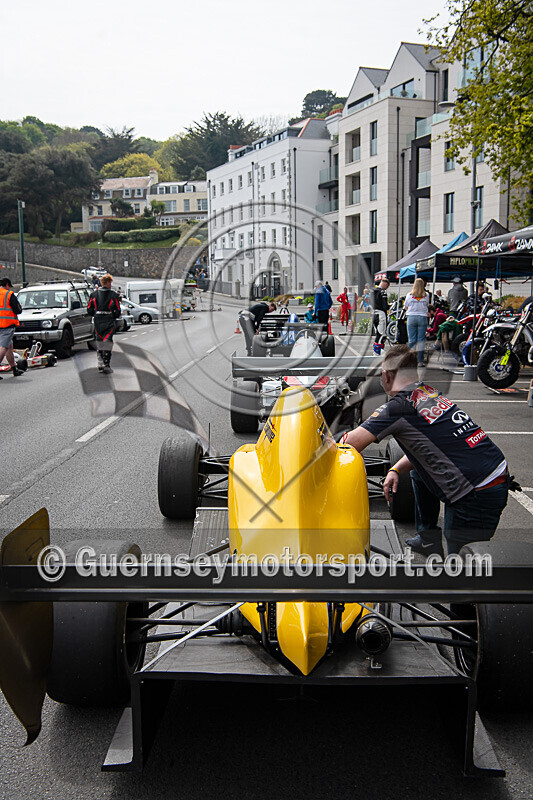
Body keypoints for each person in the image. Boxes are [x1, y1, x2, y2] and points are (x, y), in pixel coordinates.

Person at [342, 344, 511, 556]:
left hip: (476, 493)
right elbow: (426, 446)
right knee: (416, 472)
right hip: (491, 472)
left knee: (461, 565)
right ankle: (427, 539)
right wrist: (394, 469)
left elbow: (348, 444)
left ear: (386, 376)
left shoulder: (398, 406)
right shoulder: (427, 392)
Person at [87, 273, 122, 374]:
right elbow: (118, 310)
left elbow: (89, 310)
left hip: (98, 320)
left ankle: (100, 363)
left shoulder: (93, 295)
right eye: (110, 283)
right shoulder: (113, 295)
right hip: (108, 320)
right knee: (108, 341)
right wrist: (113, 315)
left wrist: (95, 313)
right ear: (107, 283)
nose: (111, 285)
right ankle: (106, 364)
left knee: (99, 341)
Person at [0, 277, 25, 379]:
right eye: (9, 286)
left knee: (9, 347)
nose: (9, 288)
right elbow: (18, 310)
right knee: (4, 347)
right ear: (7, 285)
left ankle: (14, 368)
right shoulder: (9, 294)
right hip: (7, 324)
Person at [404, 277, 429, 367]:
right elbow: (427, 305)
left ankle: (411, 360)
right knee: (421, 340)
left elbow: (406, 306)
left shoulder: (409, 295)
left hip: (411, 317)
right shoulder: (427, 295)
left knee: (412, 340)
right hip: (422, 317)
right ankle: (420, 361)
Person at [372, 277, 389, 355]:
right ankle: (377, 352)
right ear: (385, 284)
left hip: (373, 313)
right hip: (381, 314)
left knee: (377, 333)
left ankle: (376, 351)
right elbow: (385, 306)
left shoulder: (372, 291)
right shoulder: (382, 293)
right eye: (387, 287)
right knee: (381, 334)